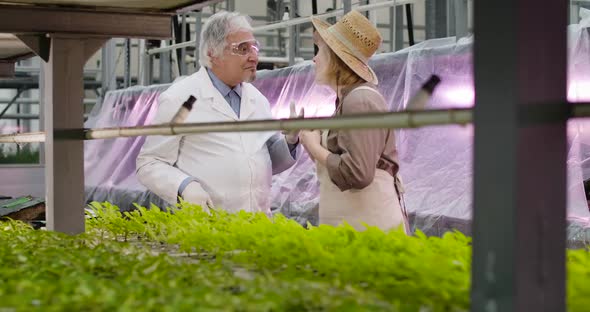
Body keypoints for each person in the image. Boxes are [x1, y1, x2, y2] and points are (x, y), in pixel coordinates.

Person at [136, 11, 302, 215]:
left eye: (254, 47)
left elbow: (264, 161)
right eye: (242, 49)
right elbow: (150, 162)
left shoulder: (257, 100)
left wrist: (291, 141)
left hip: (257, 225)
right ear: (213, 53)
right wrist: (184, 186)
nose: (254, 56)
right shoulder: (184, 101)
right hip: (207, 226)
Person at [299, 10, 409, 233]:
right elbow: (344, 161)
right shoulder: (348, 100)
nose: (314, 58)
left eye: (320, 51)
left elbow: (356, 173)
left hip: (370, 232)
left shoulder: (361, 100)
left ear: (334, 60)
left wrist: (313, 145)